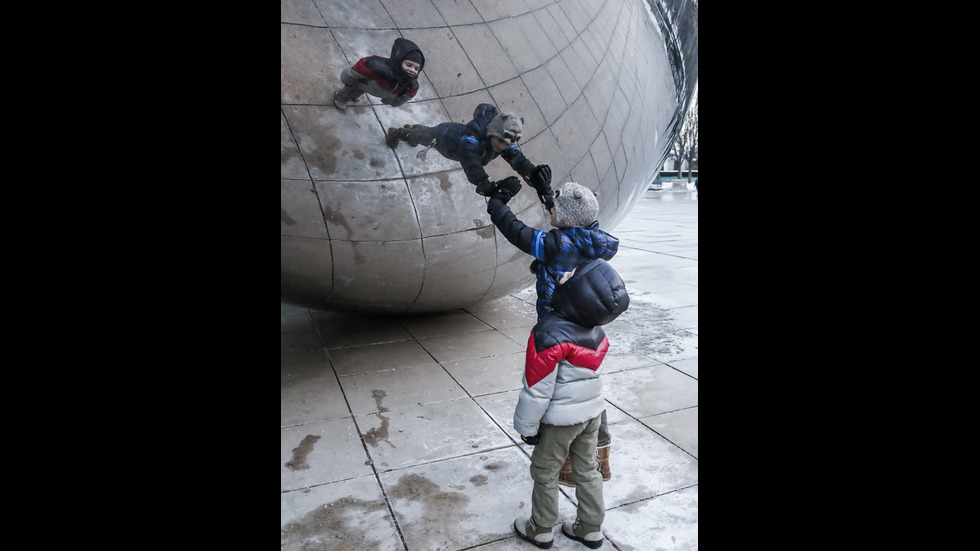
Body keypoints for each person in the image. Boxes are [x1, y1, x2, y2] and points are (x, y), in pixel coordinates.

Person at [487, 178, 620, 490]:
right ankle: (602, 457)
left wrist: (497, 206)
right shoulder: (593, 240)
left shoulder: (554, 245)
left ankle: (569, 465)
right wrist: (547, 193)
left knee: (556, 393)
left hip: (557, 328)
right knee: (586, 390)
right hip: (587, 325)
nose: (551, 214)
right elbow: (568, 216)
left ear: (567, 218)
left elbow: (517, 232)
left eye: (555, 211)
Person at [511, 258, 630, 549]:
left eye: (571, 275)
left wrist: (527, 428)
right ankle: (590, 528)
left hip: (559, 421)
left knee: (544, 470)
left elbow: (538, 390)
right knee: (588, 469)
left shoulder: (548, 334)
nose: (565, 274)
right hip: (591, 414)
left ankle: (540, 528)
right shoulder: (596, 332)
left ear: (579, 294)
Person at [384, 103, 554, 203]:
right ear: (492, 132)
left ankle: (415, 130)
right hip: (444, 138)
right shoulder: (472, 137)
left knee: (423, 133)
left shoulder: (501, 142)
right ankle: (397, 133)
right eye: (501, 141)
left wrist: (532, 174)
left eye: (508, 143)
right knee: (423, 136)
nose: (504, 146)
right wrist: (483, 182)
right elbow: (469, 158)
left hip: (448, 142)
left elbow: (517, 158)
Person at [333, 37, 425, 110]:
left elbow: (404, 98)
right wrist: (347, 82)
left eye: (416, 68)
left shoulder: (411, 86)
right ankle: (341, 97)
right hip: (363, 84)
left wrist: (392, 101)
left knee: (359, 92)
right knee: (353, 89)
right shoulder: (374, 65)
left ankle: (354, 96)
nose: (412, 70)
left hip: (375, 89)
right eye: (408, 65)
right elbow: (354, 72)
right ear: (398, 61)